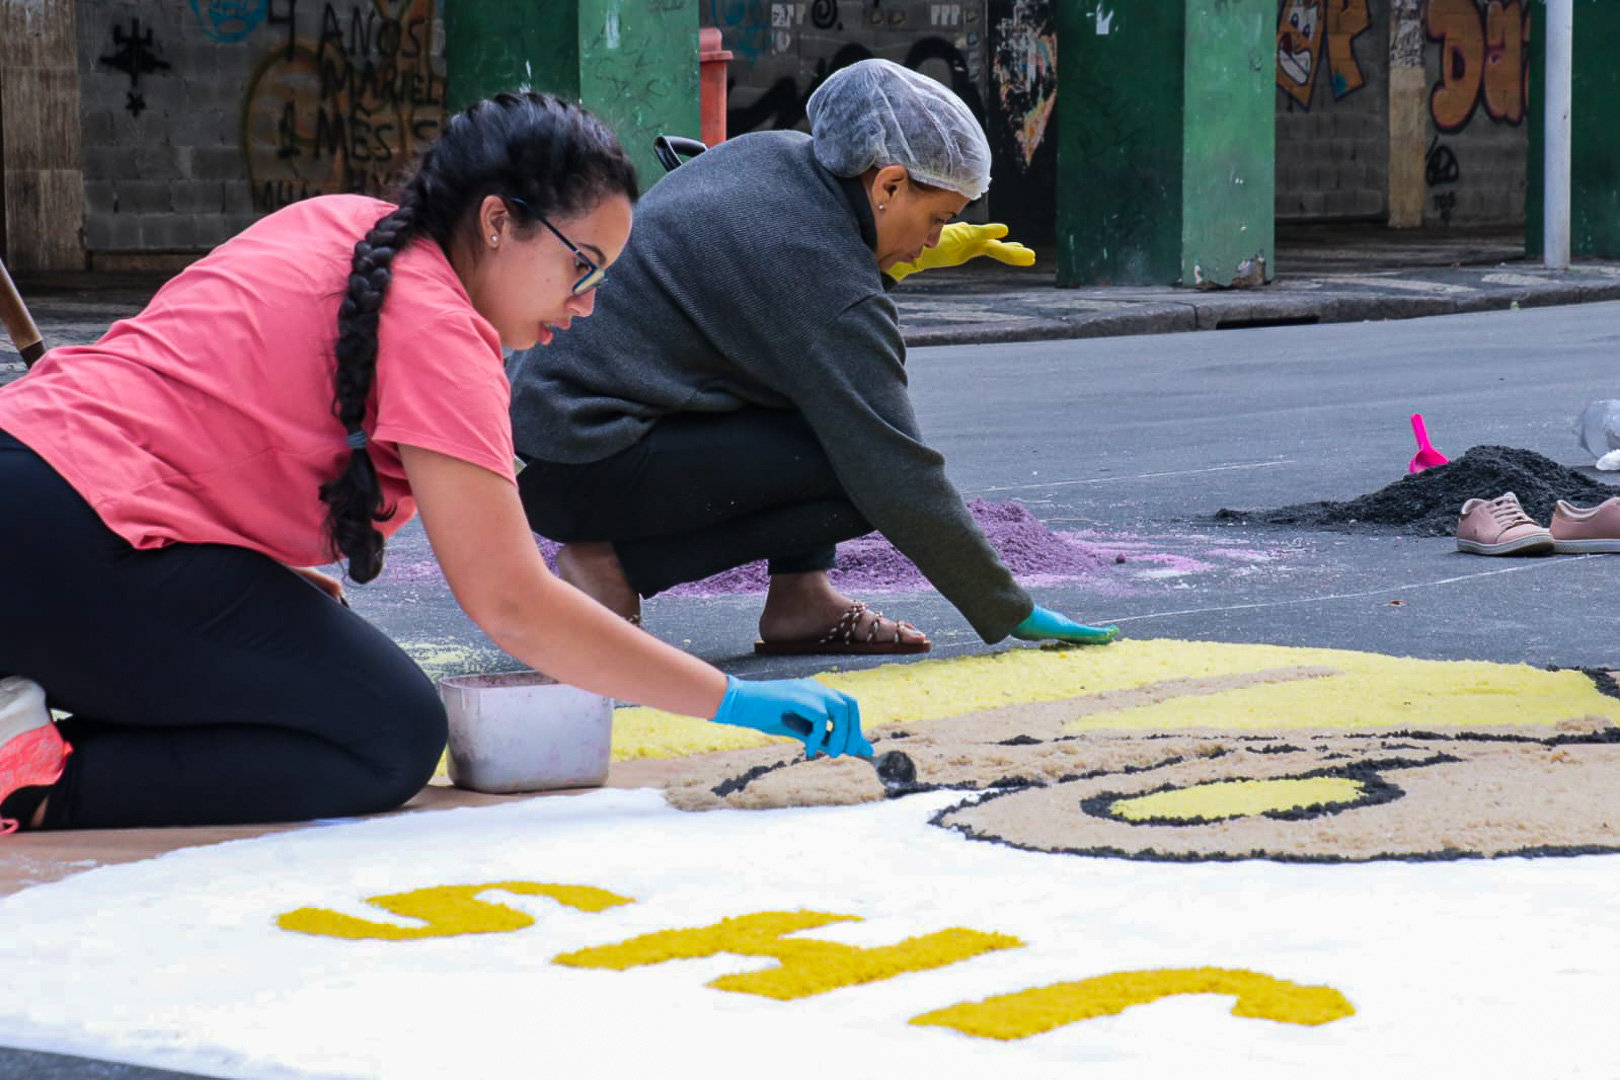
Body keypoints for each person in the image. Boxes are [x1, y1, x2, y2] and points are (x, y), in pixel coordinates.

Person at [0, 91, 868, 835]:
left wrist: (250, 569)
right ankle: (33, 776)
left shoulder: (339, 223)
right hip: (56, 540)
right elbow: (513, 603)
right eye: (582, 267)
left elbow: (196, 417)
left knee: (309, 662)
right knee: (382, 735)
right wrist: (733, 700)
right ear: (499, 221)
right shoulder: (442, 331)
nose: (589, 303)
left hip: (38, 496)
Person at [506, 59, 1119, 656]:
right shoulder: (823, 276)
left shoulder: (775, 154)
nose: (933, 238)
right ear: (889, 185)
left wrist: (890, 265)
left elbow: (779, 309)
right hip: (582, 458)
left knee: (823, 410)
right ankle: (614, 565)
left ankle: (802, 601)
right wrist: (1009, 608)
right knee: (861, 465)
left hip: (545, 432)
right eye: (938, 217)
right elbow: (895, 468)